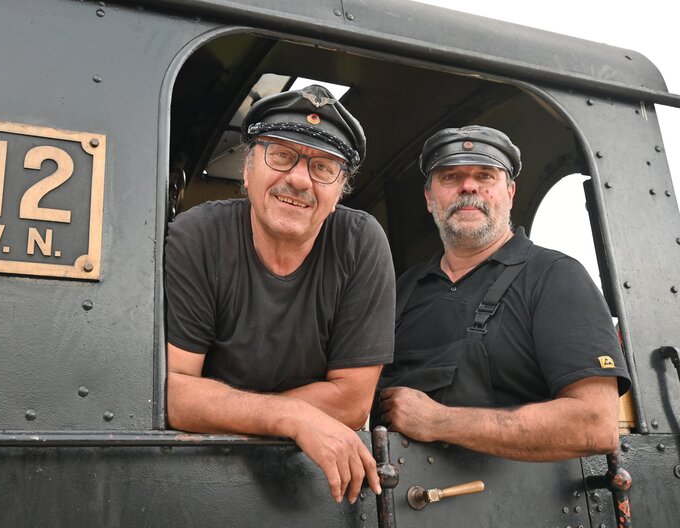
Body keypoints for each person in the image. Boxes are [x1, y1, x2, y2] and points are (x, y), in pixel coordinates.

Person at [165, 85, 395, 503]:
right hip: (198, 476)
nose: (299, 179)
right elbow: (177, 394)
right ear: (247, 170)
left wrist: (229, 409)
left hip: (311, 484)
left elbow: (352, 401)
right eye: (282, 155)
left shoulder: (360, 243)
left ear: (339, 192)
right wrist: (291, 416)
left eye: (323, 167)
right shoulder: (197, 235)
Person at [378, 125, 631, 461]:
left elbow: (595, 425)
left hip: (518, 496)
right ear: (428, 198)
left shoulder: (554, 276)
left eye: (485, 176)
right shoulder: (400, 291)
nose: (469, 187)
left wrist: (438, 421)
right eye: (450, 177)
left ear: (510, 193)